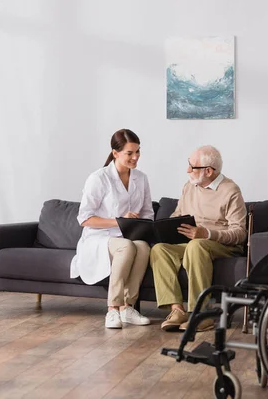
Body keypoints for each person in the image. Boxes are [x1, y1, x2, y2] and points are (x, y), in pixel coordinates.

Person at [150, 145, 246, 332]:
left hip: (222, 245)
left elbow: (239, 233)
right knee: (159, 249)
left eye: (192, 167)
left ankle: (201, 314)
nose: (187, 170)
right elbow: (178, 215)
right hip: (193, 242)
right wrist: (167, 229)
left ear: (208, 171)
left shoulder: (231, 190)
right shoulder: (189, 186)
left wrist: (207, 234)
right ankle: (177, 310)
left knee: (196, 246)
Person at [71, 129, 154, 329]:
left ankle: (127, 307)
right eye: (129, 153)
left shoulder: (141, 178)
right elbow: (84, 218)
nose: (135, 157)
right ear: (115, 153)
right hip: (99, 237)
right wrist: (118, 221)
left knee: (142, 247)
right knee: (126, 247)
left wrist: (140, 227)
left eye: (138, 152)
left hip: (129, 236)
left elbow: (148, 212)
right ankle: (112, 309)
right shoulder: (99, 178)